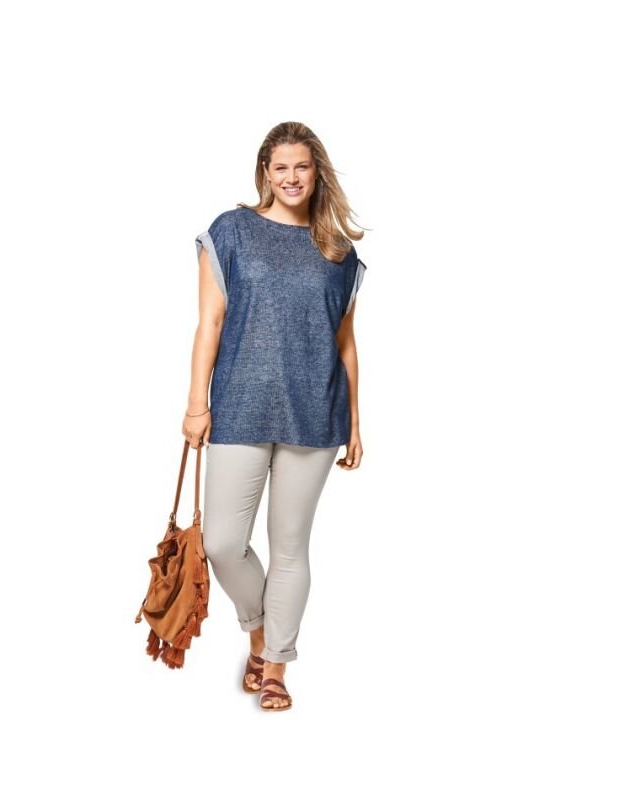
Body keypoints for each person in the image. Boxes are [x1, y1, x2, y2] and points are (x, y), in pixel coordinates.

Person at [183, 121, 368, 712]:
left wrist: (355, 423)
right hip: (239, 405)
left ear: (317, 173)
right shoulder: (231, 232)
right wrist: (196, 403)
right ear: (266, 171)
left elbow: (345, 342)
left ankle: (275, 668)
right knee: (222, 542)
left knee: (290, 547)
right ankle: (259, 631)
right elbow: (210, 322)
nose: (291, 178)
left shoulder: (338, 251)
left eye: (302, 167)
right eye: (281, 167)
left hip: (315, 412)